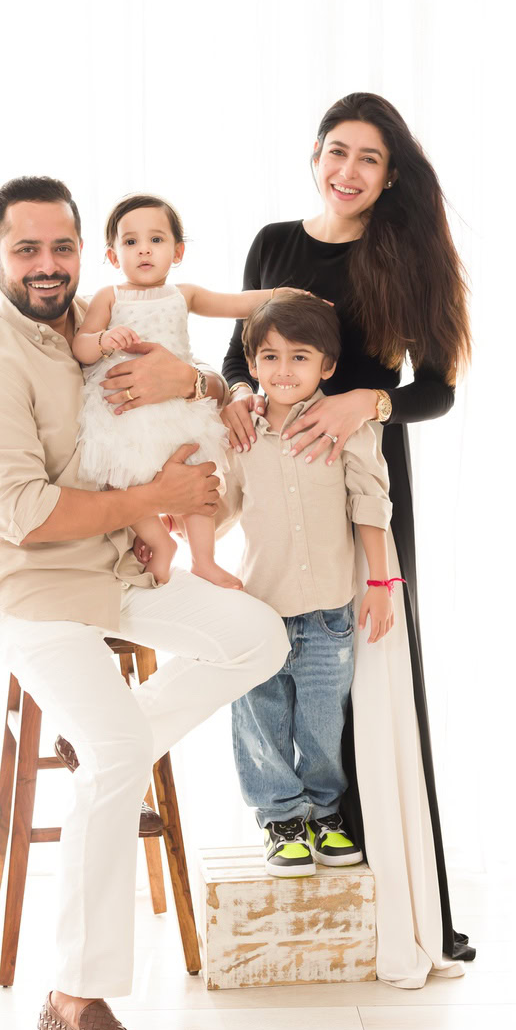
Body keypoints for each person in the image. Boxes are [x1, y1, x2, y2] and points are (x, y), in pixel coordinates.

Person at [0, 176, 289, 1030]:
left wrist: (210, 383)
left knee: (260, 637)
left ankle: (118, 749)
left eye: (61, 247)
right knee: (114, 749)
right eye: (27, 250)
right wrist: (151, 502)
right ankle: (73, 1000)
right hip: (30, 590)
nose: (48, 265)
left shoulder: (94, 330)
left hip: (115, 567)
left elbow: (175, 391)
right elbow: (22, 513)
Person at [222, 92, 474, 988]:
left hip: (367, 478)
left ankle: (402, 886)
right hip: (276, 469)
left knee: (372, 672)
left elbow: (436, 389)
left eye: (369, 157)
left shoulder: (409, 254)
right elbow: (233, 360)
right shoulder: (272, 244)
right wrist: (253, 405)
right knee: (284, 665)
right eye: (337, 150)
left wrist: (360, 400)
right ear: (315, 155)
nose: (349, 170)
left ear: (391, 172)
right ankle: (298, 823)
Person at [218, 292, 397, 877]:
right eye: (269, 357)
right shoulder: (240, 434)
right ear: (251, 364)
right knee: (260, 718)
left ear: (327, 367)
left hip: (329, 610)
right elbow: (224, 503)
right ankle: (280, 819)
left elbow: (370, 504)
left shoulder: (347, 427)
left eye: (300, 357)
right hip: (260, 606)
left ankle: (324, 812)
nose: (283, 370)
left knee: (324, 722)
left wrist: (379, 582)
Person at [72, 193, 300, 588]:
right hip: (124, 410)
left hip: (177, 403)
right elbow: (81, 345)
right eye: (130, 242)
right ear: (112, 256)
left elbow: (238, 304)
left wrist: (288, 297)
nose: (144, 249)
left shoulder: (185, 293)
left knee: (199, 478)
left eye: (156, 240)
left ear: (176, 251)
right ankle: (160, 543)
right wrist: (105, 339)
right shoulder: (110, 296)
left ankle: (204, 559)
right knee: (124, 480)